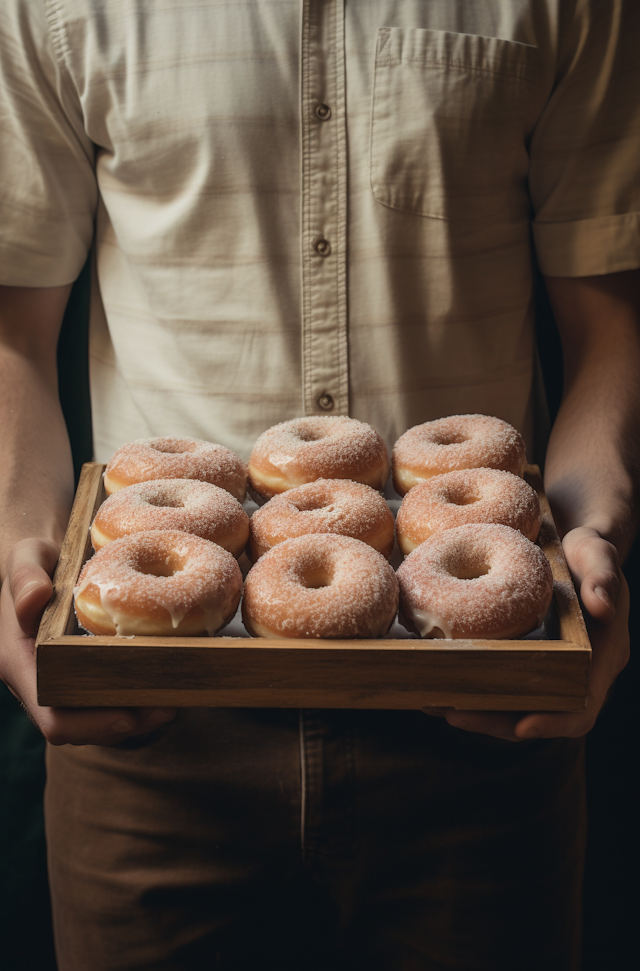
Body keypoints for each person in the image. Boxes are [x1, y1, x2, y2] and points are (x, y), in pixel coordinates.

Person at [0, 1, 638, 968]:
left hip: (487, 713)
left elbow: (610, 325)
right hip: (149, 732)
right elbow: (14, 332)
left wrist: (592, 531)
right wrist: (19, 561)